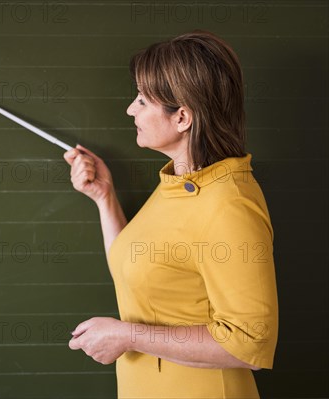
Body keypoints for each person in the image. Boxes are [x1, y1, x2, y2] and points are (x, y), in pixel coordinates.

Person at [63, 31, 278, 398]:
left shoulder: (229, 204)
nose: (131, 109)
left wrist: (127, 335)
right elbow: (135, 264)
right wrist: (104, 198)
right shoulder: (177, 184)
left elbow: (248, 343)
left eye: (142, 100)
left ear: (182, 117)